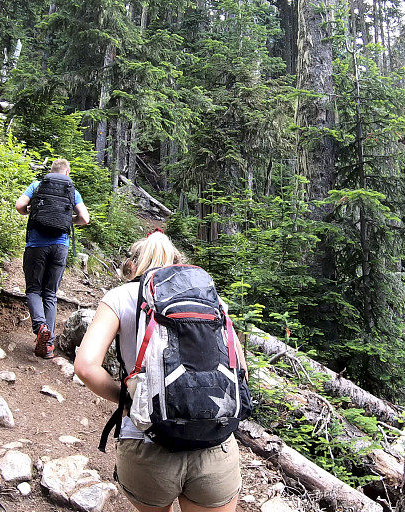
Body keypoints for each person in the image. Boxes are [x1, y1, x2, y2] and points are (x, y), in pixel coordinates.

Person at [74, 232, 247, 512]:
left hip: (146, 443)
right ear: (178, 263)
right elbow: (240, 369)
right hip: (213, 444)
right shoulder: (211, 300)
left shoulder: (120, 297)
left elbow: (85, 367)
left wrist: (129, 402)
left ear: (133, 265)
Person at [15, 158, 90, 358]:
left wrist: (29, 212)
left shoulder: (37, 185)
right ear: (67, 173)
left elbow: (19, 205)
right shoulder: (71, 191)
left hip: (36, 246)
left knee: (33, 289)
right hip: (60, 247)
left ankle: (40, 327)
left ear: (51, 171)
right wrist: (69, 220)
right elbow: (85, 218)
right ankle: (47, 345)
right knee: (50, 293)